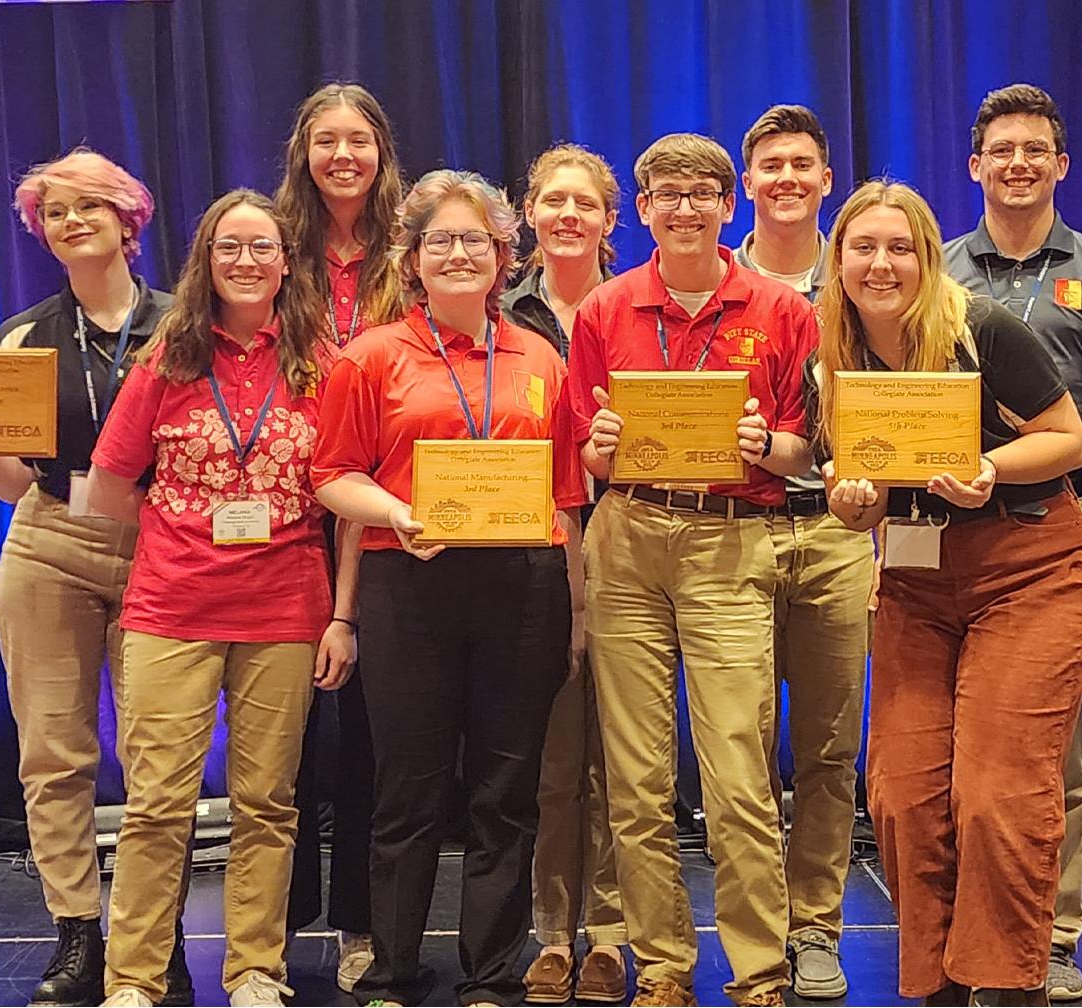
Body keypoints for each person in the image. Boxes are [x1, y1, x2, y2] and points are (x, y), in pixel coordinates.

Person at [0, 148, 195, 1008]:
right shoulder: (22, 339)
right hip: (48, 541)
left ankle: (156, 936)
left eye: (88, 206)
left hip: (160, 545)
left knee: (162, 758)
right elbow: (8, 482)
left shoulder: (185, 329)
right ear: (42, 232)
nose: (72, 221)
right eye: (54, 212)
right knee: (53, 755)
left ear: (128, 220)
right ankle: (77, 935)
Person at [814, 180, 1082, 1007]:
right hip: (914, 580)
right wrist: (849, 501)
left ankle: (1009, 985)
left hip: (1029, 569)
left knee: (997, 796)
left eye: (900, 246)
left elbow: (1068, 440)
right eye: (863, 247)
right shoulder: (828, 349)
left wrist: (987, 469)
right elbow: (847, 482)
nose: (881, 263)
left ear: (927, 255)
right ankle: (938, 985)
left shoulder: (982, 327)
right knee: (901, 795)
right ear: (839, 260)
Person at [312, 169, 588, 1008]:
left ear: (504, 255)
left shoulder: (541, 356)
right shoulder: (370, 356)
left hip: (524, 585)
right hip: (411, 579)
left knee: (506, 793)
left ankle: (492, 973)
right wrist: (398, 512)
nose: (461, 253)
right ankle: (393, 969)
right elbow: (332, 477)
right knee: (410, 786)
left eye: (477, 240)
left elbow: (567, 495)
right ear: (412, 256)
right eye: (442, 240)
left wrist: (574, 613)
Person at [566, 132, 820, 1008]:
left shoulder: (782, 310)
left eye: (702, 194)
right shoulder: (604, 310)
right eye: (666, 195)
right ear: (641, 210)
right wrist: (600, 452)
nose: (684, 208)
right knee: (635, 779)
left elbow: (807, 448)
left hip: (730, 537)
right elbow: (587, 452)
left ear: (728, 205)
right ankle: (663, 968)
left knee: (739, 771)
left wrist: (766, 444)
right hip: (629, 536)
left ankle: (759, 971)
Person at [87, 188, 351, 1008]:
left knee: (268, 804)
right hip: (171, 608)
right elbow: (107, 488)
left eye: (261, 248)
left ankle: (254, 970)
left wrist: (343, 615)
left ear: (285, 263)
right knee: (158, 803)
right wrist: (184, 525)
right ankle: (132, 978)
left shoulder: (323, 363)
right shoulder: (167, 358)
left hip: (284, 609)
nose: (245, 261)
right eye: (228, 247)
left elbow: (343, 494)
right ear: (206, 260)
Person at [942, 83, 1082, 1003]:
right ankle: (958, 934)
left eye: (1036, 149)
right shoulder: (933, 270)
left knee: (1042, 752)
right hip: (938, 530)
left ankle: (1050, 936)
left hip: (1061, 522)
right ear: (975, 165)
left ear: (1060, 165)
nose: (1018, 162)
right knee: (945, 752)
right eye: (1001, 150)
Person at [733, 103, 871, 1002]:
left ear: (828, 181)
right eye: (770, 165)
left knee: (826, 748)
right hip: (731, 533)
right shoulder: (703, 279)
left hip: (838, 529)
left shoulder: (868, 274)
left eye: (803, 165)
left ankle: (815, 927)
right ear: (748, 183)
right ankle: (750, 932)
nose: (786, 179)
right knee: (736, 749)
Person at [272, 80, 405, 992]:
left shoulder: (410, 245)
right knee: (278, 734)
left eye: (359, 139)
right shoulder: (270, 245)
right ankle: (269, 926)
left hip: (381, 500)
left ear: (381, 151)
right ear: (304, 153)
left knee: (365, 734)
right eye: (327, 141)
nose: (344, 156)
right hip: (281, 505)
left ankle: (360, 922)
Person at [501, 144, 630, 1006]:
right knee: (551, 760)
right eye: (553, 201)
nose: (569, 216)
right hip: (531, 546)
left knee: (622, 758)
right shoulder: (498, 314)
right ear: (529, 214)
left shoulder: (637, 308)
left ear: (610, 220)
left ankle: (614, 933)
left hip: (626, 537)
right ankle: (552, 932)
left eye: (585, 203)